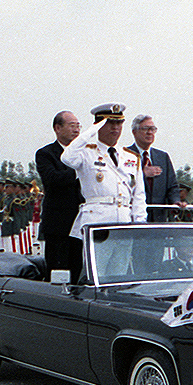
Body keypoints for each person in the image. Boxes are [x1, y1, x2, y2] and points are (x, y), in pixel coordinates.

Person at [61, 103, 146, 279]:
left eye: (119, 123)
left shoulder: (130, 157)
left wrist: (139, 224)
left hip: (123, 222)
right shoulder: (86, 152)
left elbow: (138, 195)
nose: (115, 128)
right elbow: (67, 157)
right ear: (99, 125)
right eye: (110, 123)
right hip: (98, 221)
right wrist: (90, 133)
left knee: (118, 276)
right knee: (96, 275)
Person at [35, 110, 85, 278]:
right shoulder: (46, 154)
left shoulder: (86, 153)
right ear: (57, 128)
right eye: (72, 126)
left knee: (79, 271)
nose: (77, 130)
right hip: (58, 225)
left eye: (78, 126)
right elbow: (53, 179)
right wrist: (80, 169)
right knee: (59, 273)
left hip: (82, 224)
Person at [125, 114, 181, 222]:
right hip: (133, 219)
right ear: (134, 132)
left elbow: (172, 186)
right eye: (145, 129)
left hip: (158, 220)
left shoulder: (163, 157)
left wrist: (176, 201)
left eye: (152, 129)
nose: (150, 132)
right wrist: (141, 173)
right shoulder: (125, 155)